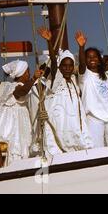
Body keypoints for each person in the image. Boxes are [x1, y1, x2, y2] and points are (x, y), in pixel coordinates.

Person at [38, 27, 93, 155]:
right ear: (60, 67)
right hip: (60, 122)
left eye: (70, 66)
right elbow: (53, 61)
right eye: (64, 66)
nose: (67, 68)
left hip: (75, 122)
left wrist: (81, 47)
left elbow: (83, 67)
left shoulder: (75, 80)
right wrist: (49, 42)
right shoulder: (56, 79)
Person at [75, 31, 108, 148]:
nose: (92, 59)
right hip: (93, 117)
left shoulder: (107, 75)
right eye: (88, 57)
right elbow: (81, 64)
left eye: (95, 57)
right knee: (97, 149)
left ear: (99, 59)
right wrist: (81, 47)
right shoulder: (85, 75)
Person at [0, 60, 39, 163]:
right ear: (22, 73)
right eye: (27, 72)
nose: (28, 74)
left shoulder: (10, 85)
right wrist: (33, 78)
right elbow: (21, 92)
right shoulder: (16, 86)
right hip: (14, 121)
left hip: (17, 116)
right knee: (17, 146)